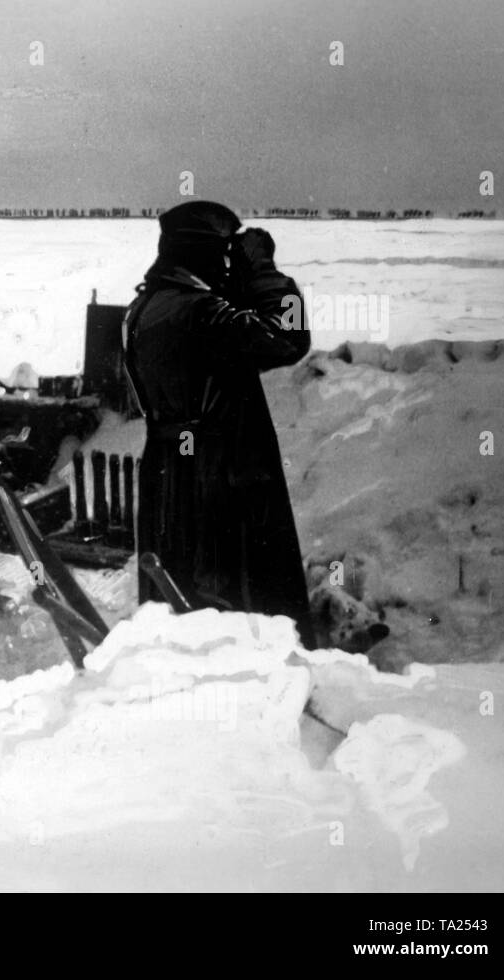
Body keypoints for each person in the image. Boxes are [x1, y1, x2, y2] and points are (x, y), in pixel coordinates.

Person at [121, 200, 317, 647]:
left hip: (171, 472)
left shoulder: (146, 307)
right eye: (227, 256)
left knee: (181, 612)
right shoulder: (198, 311)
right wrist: (263, 269)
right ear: (209, 253)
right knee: (238, 615)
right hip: (217, 482)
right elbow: (287, 336)